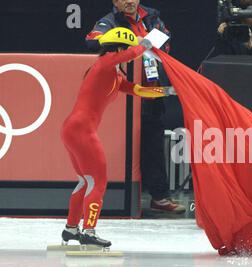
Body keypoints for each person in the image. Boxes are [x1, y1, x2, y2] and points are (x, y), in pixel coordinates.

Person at [61, 27, 176, 247]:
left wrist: (168, 91)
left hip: (73, 129)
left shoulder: (114, 73)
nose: (133, 57)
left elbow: (139, 90)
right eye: (127, 48)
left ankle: (71, 229)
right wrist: (146, 43)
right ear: (120, 47)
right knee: (98, 182)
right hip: (82, 130)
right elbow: (131, 54)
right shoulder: (106, 63)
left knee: (85, 181)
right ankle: (89, 232)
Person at [86, 0, 186, 213]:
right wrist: (132, 43)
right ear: (115, 2)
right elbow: (92, 42)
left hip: (152, 89)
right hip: (125, 93)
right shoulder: (109, 21)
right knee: (123, 146)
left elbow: (166, 43)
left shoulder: (151, 16)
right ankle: (114, 199)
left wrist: (151, 44)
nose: (130, 1)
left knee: (153, 144)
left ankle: (159, 197)